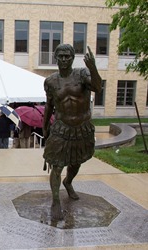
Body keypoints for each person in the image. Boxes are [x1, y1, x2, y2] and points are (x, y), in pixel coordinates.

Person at [43, 44, 102, 221]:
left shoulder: (82, 74)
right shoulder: (50, 81)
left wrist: (92, 67)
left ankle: (67, 182)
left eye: (67, 56)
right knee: (57, 165)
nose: (64, 59)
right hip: (61, 128)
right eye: (60, 56)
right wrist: (44, 126)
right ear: (55, 57)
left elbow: (98, 88)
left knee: (76, 162)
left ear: (72, 58)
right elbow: (49, 105)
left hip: (81, 127)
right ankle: (55, 201)